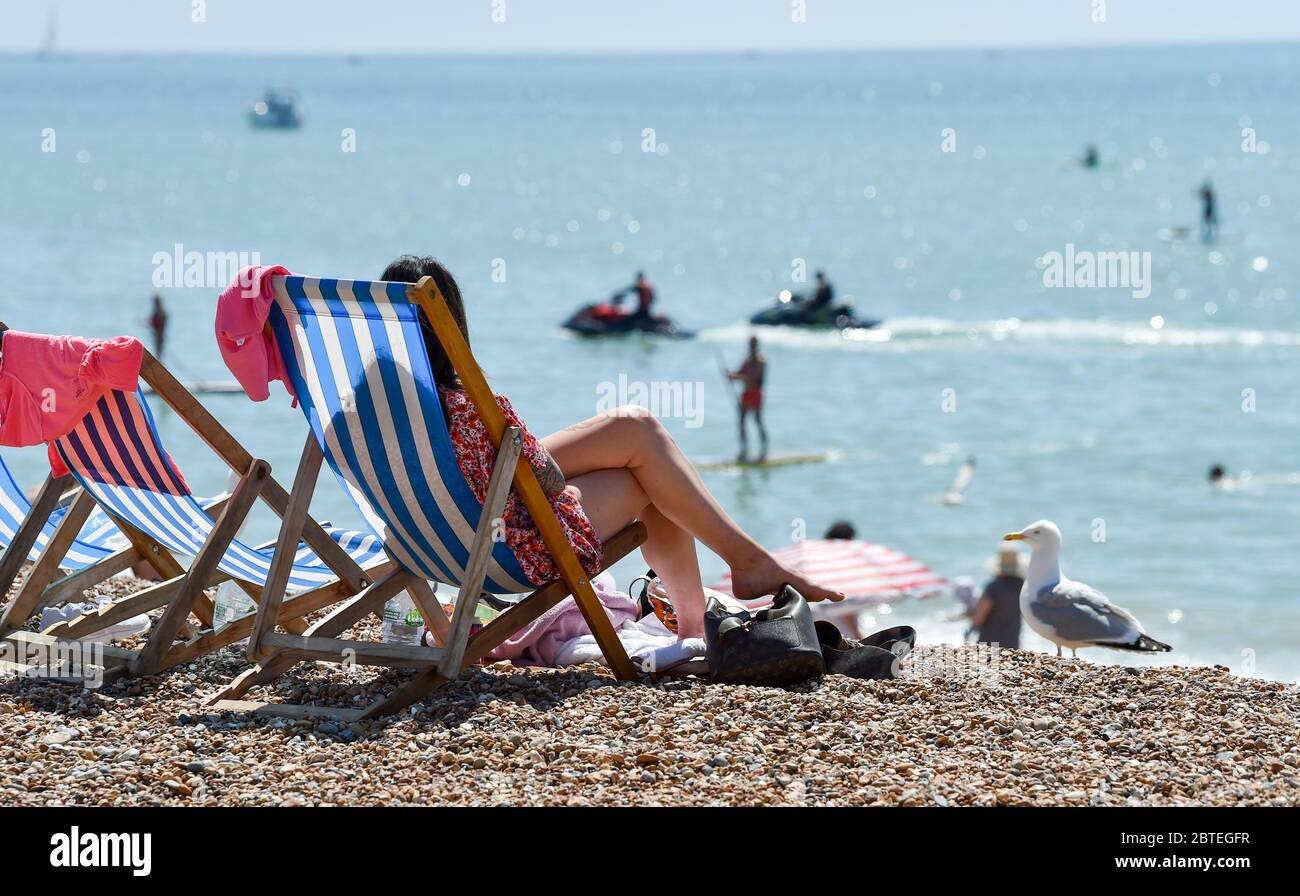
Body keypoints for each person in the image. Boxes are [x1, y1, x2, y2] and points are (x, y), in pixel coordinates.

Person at [383, 255, 843, 639]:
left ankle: (728, 587)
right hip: (502, 549)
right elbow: (538, 476)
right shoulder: (468, 410)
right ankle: (702, 618)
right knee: (645, 459)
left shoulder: (362, 411)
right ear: (452, 325)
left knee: (635, 435)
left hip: (428, 542)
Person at [969, 544, 1026, 649]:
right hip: (1012, 644)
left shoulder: (994, 587)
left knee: (989, 665)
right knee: (1010, 665)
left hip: (990, 643)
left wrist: (969, 612)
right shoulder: (1023, 587)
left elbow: (978, 618)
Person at [727, 335, 768, 462]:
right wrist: (730, 375)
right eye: (750, 345)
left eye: (753, 345)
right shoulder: (747, 360)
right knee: (742, 422)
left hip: (756, 393)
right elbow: (740, 373)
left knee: (757, 421)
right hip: (746, 394)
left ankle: (763, 451)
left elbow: (753, 377)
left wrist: (738, 377)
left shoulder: (761, 360)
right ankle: (744, 451)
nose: (751, 347)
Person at [147, 292, 168, 360]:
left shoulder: (161, 311)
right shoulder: (158, 311)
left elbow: (161, 322)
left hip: (159, 334)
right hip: (157, 334)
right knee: (158, 351)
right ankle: (158, 361)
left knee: (158, 352)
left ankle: (158, 363)